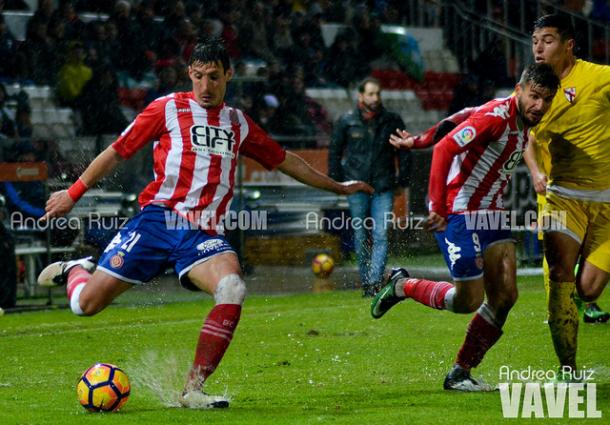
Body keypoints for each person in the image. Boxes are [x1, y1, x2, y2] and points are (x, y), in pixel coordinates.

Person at [36, 37, 373, 409]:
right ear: (189, 75)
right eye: (197, 77)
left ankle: (192, 389)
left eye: (213, 77)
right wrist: (74, 192)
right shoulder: (166, 109)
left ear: (228, 75)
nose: (205, 86)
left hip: (203, 233)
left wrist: (338, 187)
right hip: (157, 221)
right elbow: (118, 152)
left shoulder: (238, 123)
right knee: (84, 305)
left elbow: (284, 160)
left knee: (232, 288)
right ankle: (76, 270)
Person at [371, 63, 559, 390]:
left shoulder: (520, 118)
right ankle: (402, 285)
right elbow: (445, 147)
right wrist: (437, 207)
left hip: (492, 214)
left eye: (546, 99)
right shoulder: (497, 117)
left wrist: (416, 140)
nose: (539, 105)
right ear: (520, 89)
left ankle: (461, 372)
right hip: (460, 211)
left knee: (505, 296)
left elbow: (455, 119)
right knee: (467, 301)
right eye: (534, 96)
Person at [529, 14, 610, 375]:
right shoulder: (532, 89)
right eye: (534, 42)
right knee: (558, 280)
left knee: (589, 290)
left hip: (606, 203)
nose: (538, 48)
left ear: (568, 45)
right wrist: (535, 170)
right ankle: (568, 368)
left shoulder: (599, 77)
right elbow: (526, 137)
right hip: (562, 198)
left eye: (547, 40)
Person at [328, 77, 411, 297]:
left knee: (381, 233)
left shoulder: (393, 120)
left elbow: (403, 151)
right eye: (371, 94)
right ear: (361, 96)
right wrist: (337, 182)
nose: (375, 98)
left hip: (383, 186)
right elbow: (334, 152)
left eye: (378, 94)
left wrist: (403, 180)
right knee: (360, 235)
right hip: (356, 186)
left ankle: (374, 283)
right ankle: (367, 281)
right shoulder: (346, 120)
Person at [523, 117, 610, 324]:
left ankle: (588, 303)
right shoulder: (546, 105)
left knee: (592, 246)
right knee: (555, 249)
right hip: (553, 190)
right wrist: (536, 173)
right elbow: (527, 138)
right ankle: (557, 309)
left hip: (589, 191)